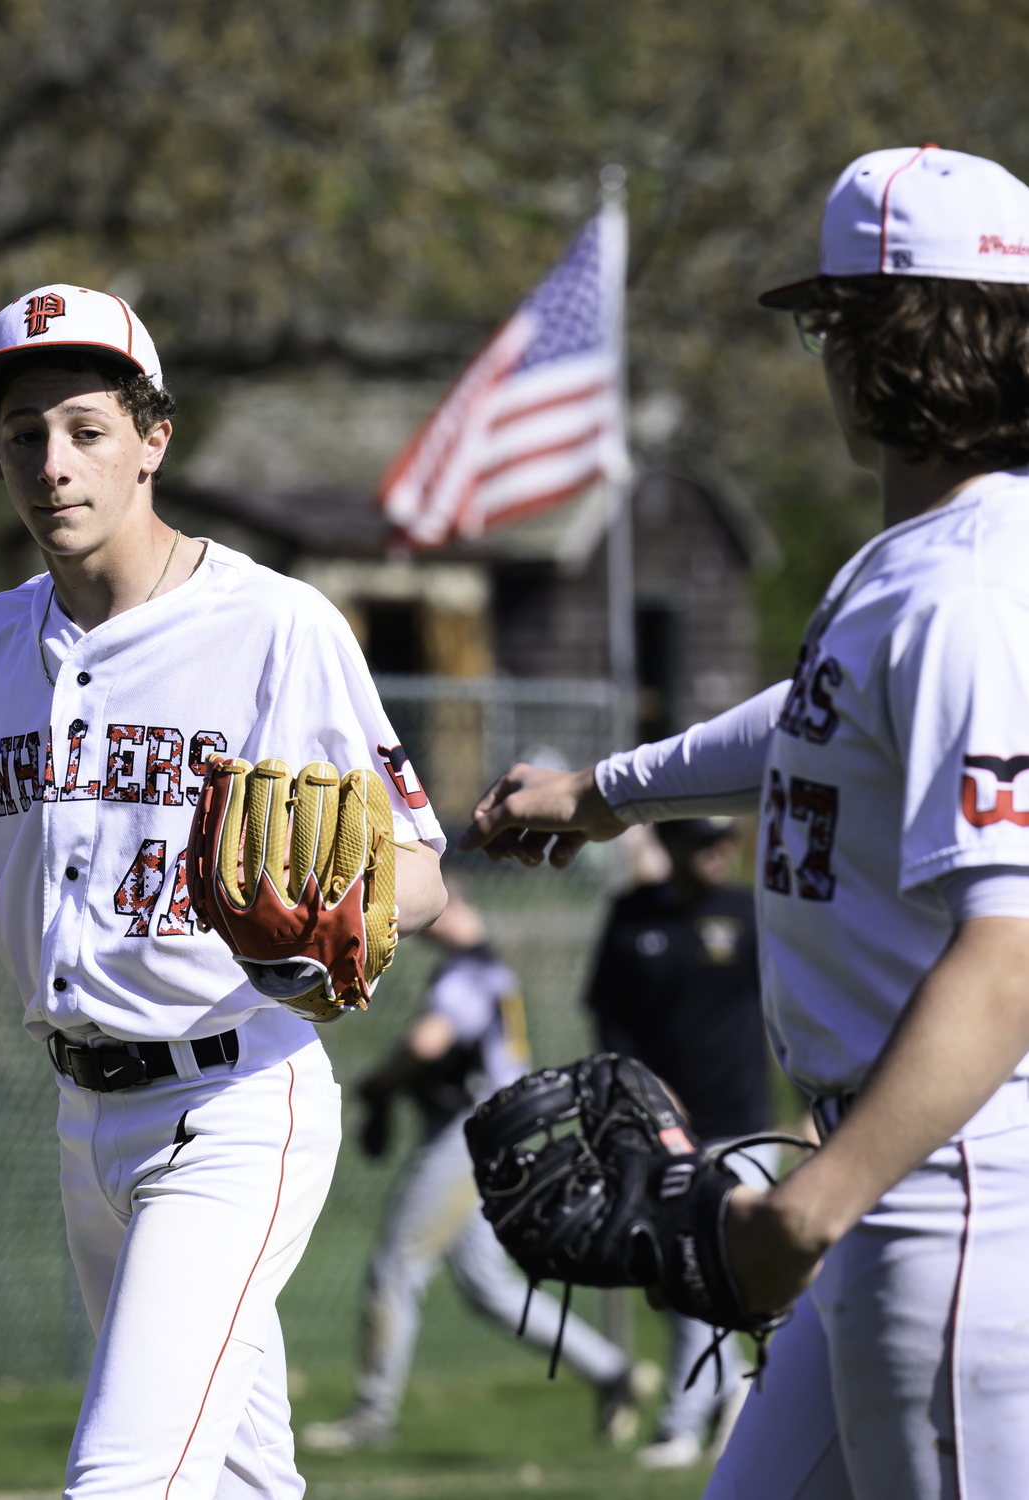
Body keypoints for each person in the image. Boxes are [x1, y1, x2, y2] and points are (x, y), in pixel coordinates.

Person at [0, 284, 448, 1500]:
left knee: (121, 1481)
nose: (52, 463)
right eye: (23, 434)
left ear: (153, 439)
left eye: (86, 429)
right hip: (88, 1124)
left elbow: (421, 867)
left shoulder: (275, 626)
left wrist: (333, 902)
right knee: (234, 1481)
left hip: (235, 1102)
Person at [457, 145, 1029, 1500]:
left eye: (833, 319)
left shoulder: (975, 595)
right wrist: (603, 794)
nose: (823, 354)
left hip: (954, 1192)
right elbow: (815, 724)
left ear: (886, 339)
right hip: (894, 1182)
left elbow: (1010, 961)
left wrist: (808, 1209)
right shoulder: (929, 572)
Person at [300, 876, 658, 1456]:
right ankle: (612, 1370)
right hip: (501, 1131)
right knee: (487, 1284)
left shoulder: (469, 970)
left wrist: (382, 1085)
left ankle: (371, 1414)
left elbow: (428, 1042)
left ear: (449, 903)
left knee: (396, 1267)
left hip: (472, 1134)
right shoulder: (486, 967)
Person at [586, 817, 773, 1469]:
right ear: (669, 844)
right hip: (662, 1133)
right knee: (676, 1278)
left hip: (743, 1123)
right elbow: (608, 1019)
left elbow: (793, 1013)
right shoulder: (631, 916)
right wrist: (644, 1092)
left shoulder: (753, 914)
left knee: (719, 1277)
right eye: (703, 838)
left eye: (726, 837)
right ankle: (729, 1395)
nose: (719, 848)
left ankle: (681, 1424)